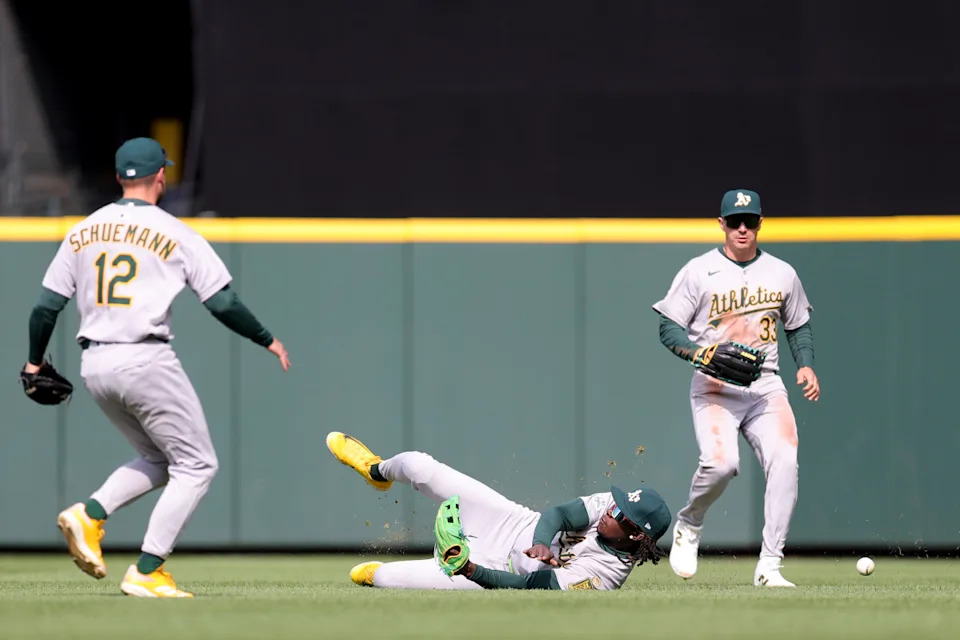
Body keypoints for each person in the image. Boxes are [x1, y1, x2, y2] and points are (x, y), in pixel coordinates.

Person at [25, 137, 291, 598]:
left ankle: (90, 514)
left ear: (118, 178)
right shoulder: (176, 231)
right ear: (161, 176)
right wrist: (266, 338)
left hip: (96, 365)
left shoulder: (83, 229)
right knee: (198, 465)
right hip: (144, 357)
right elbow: (221, 301)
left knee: (159, 458)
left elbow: (46, 306)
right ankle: (147, 570)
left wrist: (33, 362)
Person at [652, 188, 819, 588]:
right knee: (722, 465)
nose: (742, 229)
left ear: (760, 223)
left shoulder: (782, 273)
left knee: (785, 464)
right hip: (714, 386)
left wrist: (807, 366)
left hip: (765, 387)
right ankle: (689, 523)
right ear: (722, 224)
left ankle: (770, 566)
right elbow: (667, 325)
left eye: (750, 221)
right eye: (734, 221)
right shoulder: (698, 270)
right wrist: (696, 354)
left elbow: (797, 325)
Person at [325, 431, 672, 591]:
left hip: (498, 570)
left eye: (622, 514)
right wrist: (540, 541)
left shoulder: (604, 576)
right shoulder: (608, 510)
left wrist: (469, 568)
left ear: (637, 535)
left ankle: (429, 568)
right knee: (418, 465)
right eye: (617, 503)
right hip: (508, 522)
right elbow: (559, 515)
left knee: (375, 576)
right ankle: (376, 471)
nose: (612, 511)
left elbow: (532, 585)